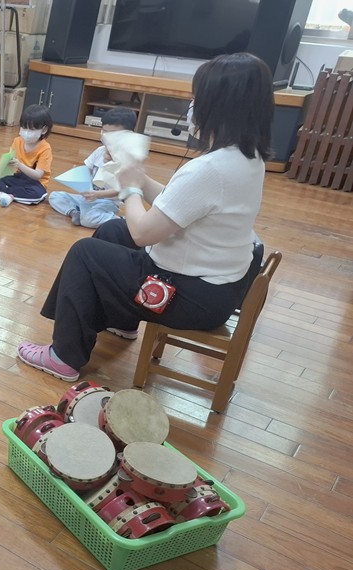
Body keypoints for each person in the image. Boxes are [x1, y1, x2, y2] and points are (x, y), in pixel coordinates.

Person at [18, 52, 273, 382]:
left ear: (218, 106)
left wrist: (129, 189)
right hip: (218, 289)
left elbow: (142, 233)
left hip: (189, 298)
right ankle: (122, 322)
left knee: (86, 252)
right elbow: (181, 204)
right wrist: (139, 179)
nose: (192, 107)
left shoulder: (209, 169)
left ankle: (64, 356)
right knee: (112, 231)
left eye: (197, 98)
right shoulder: (247, 158)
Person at [48, 107, 138, 228]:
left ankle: (120, 221)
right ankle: (75, 213)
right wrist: (77, 174)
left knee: (89, 220)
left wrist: (97, 195)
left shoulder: (126, 159)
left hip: (107, 201)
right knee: (55, 196)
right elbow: (86, 168)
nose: (106, 137)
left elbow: (121, 190)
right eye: (104, 131)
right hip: (88, 197)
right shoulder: (100, 151)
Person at [0, 104, 54, 206]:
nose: (27, 132)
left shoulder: (45, 148)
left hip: (35, 183)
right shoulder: (17, 141)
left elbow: (38, 175)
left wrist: (19, 165)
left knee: (37, 194)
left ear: (44, 130)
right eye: (24, 128)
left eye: (32, 129)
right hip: (17, 178)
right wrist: (4, 165)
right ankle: (6, 194)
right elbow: (11, 168)